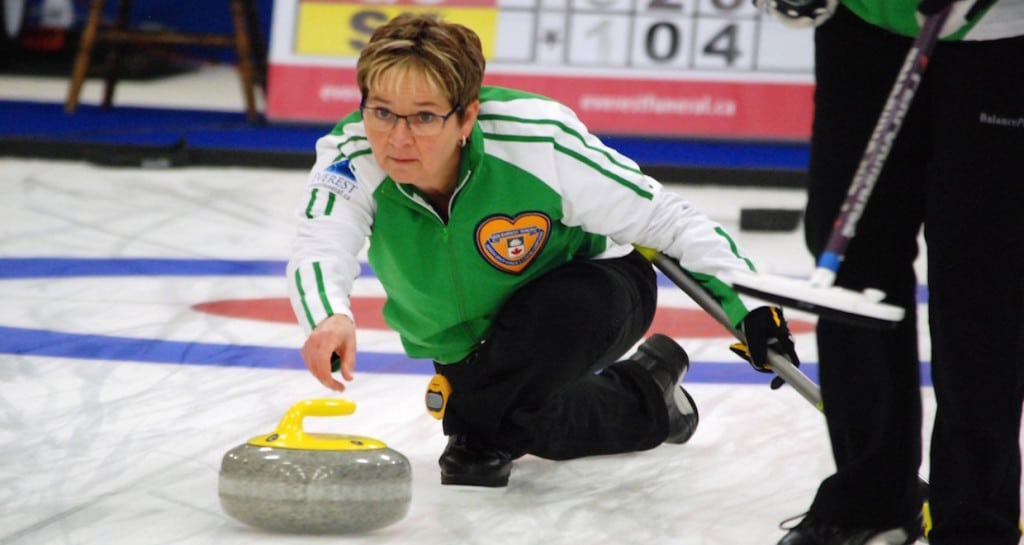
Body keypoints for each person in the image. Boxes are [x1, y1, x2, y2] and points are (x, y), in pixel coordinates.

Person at [286, 13, 799, 488]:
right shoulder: (351, 157)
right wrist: (328, 314)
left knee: (537, 348)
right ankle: (652, 393)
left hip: (595, 288)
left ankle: (480, 423)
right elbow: (320, 240)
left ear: (467, 117)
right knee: (527, 420)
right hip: (467, 342)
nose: (397, 137)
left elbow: (665, 219)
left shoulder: (539, 140)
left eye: (423, 117)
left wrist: (749, 307)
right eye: (381, 113)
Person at [757, 0, 1024, 543]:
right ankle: (866, 500)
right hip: (863, 26)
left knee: (983, 282)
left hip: (998, 43)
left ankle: (977, 518)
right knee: (853, 271)